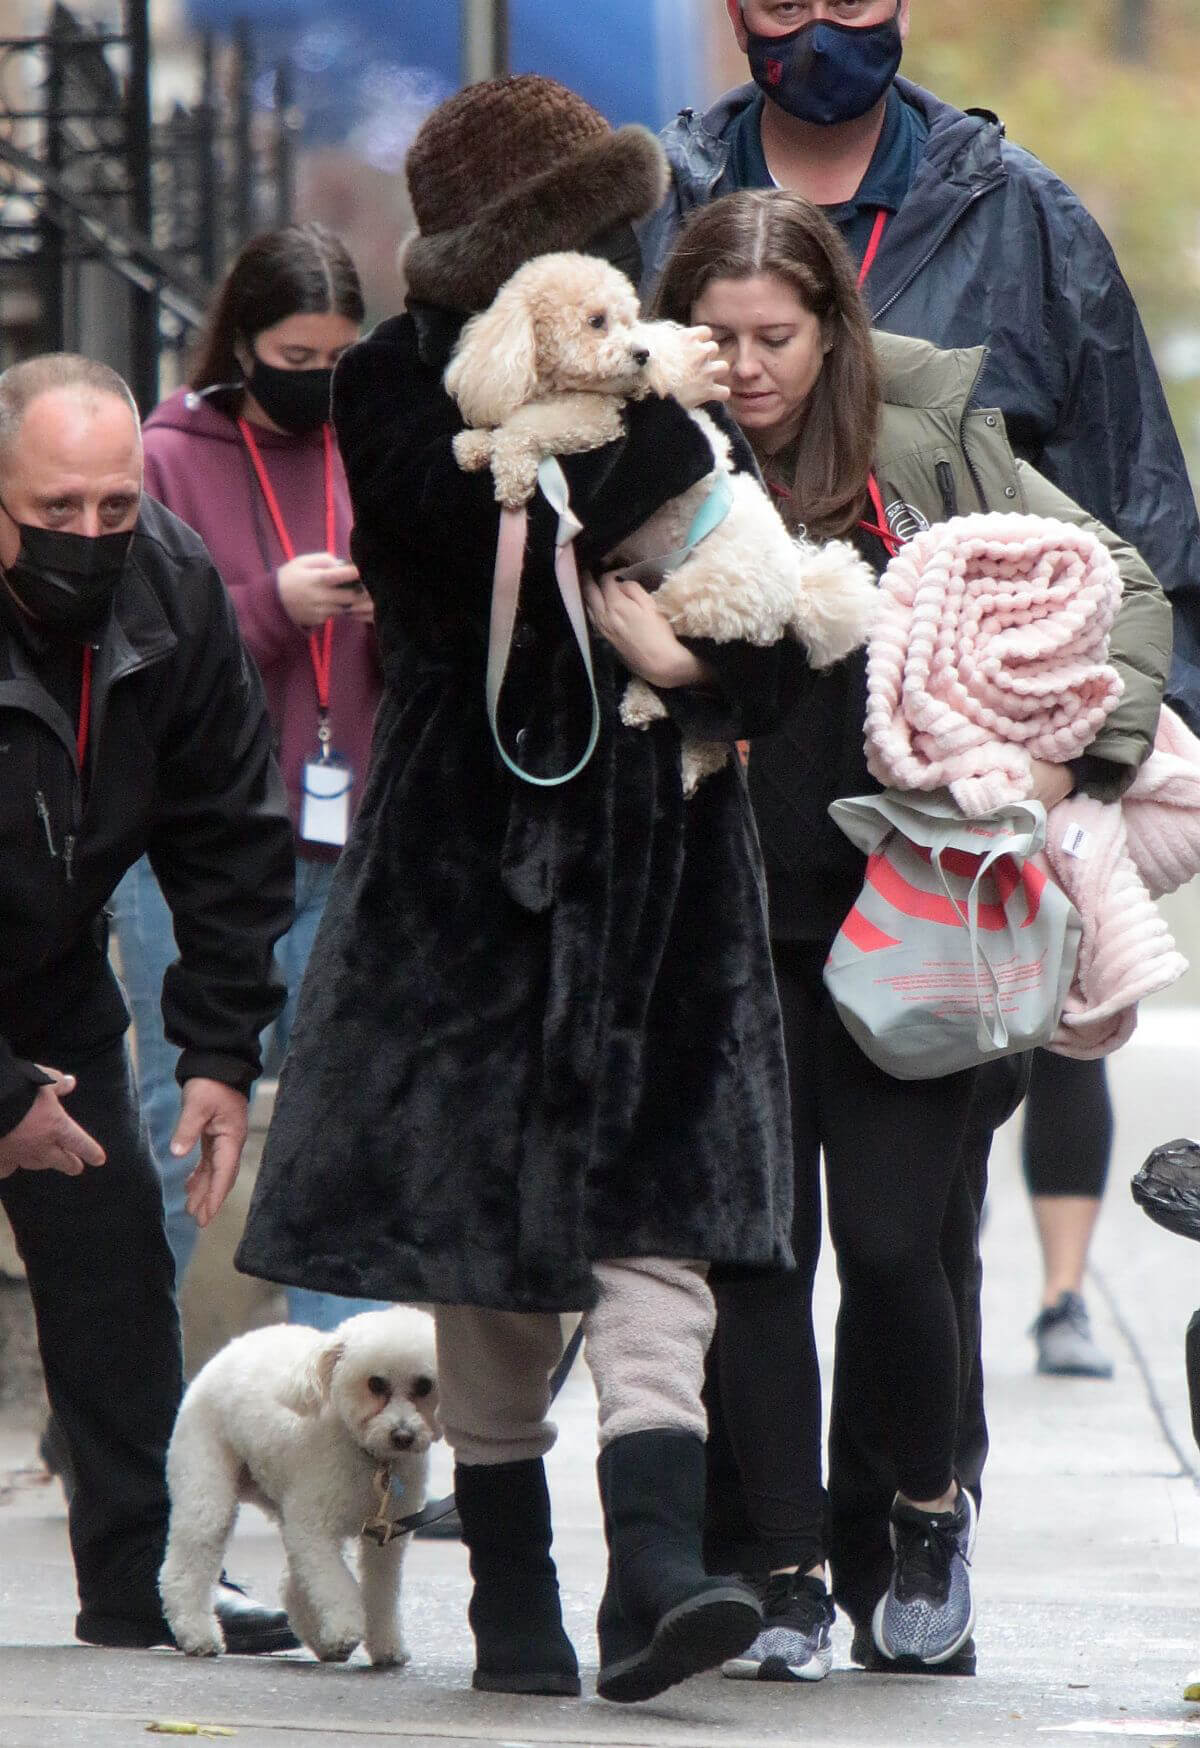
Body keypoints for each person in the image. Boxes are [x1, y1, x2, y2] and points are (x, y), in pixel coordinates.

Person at [235, 75, 810, 1704]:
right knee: (485, 1243)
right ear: (518, 248)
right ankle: (517, 1599)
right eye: (594, 229)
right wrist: (632, 442)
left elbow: (765, 649)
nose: (627, 256)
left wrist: (685, 656)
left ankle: (659, 1571)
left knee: (658, 1229)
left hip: (658, 879)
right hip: (465, 882)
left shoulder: (654, 384)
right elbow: (432, 514)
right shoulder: (402, 382)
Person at [640, 0, 1200, 1637]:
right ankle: (783, 1568)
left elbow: (1132, 550)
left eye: (775, 337)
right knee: (752, 1245)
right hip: (714, 904)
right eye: (716, 337)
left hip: (925, 893)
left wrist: (1080, 765)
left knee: (900, 1242)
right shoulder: (650, 430)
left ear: (834, 329)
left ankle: (922, 1510)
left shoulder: (963, 352)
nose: (744, 368)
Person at [0, 353, 297, 1652]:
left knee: (115, 1264)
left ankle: (143, 1583)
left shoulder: (171, 589)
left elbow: (227, 828)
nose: (90, 537)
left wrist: (222, 1050)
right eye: (56, 511)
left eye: (114, 508)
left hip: (53, 975)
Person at [110, 223, 387, 1332]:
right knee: (179, 1112)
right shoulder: (168, 453)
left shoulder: (369, 442)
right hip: (194, 851)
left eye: (339, 359)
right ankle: (135, 1397)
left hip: (344, 836)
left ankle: (346, 1414)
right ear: (244, 343)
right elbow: (146, 647)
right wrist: (277, 603)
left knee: (337, 1130)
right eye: (296, 358)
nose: (320, 382)